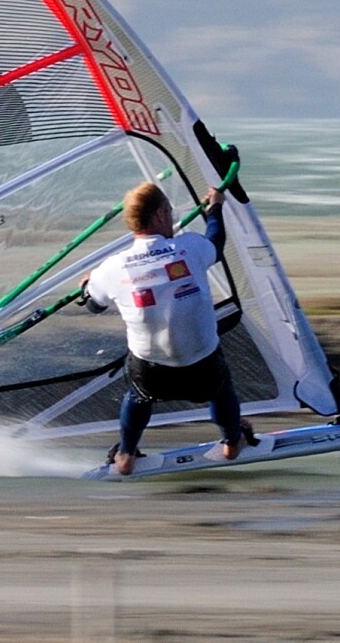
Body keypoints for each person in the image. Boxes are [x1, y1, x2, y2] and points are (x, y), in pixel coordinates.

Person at [80, 181, 251, 475]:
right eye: (170, 212)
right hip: (203, 370)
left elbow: (94, 305)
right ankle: (232, 441)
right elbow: (217, 242)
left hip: (151, 374)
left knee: (137, 394)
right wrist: (216, 207)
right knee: (222, 389)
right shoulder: (191, 247)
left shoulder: (112, 267)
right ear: (159, 215)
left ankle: (126, 454)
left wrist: (86, 285)